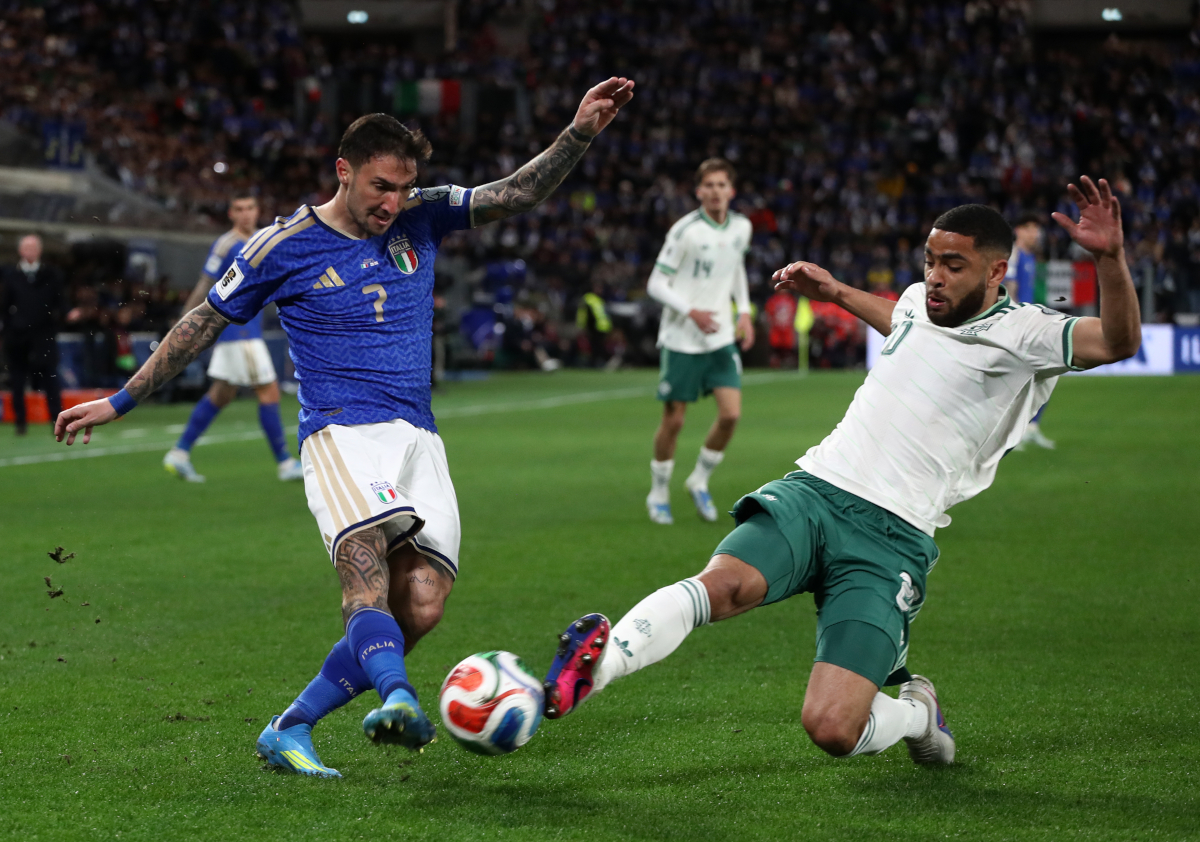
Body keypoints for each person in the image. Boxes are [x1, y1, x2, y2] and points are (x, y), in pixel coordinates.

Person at [54, 77, 635, 778]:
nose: (393, 202)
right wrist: (121, 400)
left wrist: (579, 132)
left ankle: (289, 727)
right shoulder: (281, 247)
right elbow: (203, 322)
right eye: (380, 186)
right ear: (344, 171)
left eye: (404, 187)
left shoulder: (420, 215)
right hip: (340, 432)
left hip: (419, 437)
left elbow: (513, 193)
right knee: (364, 574)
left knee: (420, 604)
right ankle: (397, 697)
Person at [543, 178, 1139, 769]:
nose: (934, 275)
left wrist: (1109, 259)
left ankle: (916, 715)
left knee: (832, 727)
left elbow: (1116, 340)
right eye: (930, 260)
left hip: (893, 536)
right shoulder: (916, 300)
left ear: (994, 272)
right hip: (819, 489)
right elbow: (901, 319)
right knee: (721, 585)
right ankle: (595, 670)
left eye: (953, 266)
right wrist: (833, 291)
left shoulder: (1027, 332)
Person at [162, 194, 303, 482]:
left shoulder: (262, 238)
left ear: (258, 210)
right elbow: (205, 282)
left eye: (250, 207)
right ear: (230, 213)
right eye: (239, 209)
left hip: (243, 330)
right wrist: (185, 321)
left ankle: (179, 453)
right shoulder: (226, 243)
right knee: (269, 391)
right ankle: (285, 464)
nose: (246, 214)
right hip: (239, 331)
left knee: (221, 394)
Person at [644, 159, 755, 525]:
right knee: (674, 421)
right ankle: (658, 491)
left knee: (731, 414)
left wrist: (744, 312)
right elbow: (656, 284)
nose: (715, 191)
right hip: (682, 339)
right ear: (699, 192)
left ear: (731, 191)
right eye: (708, 185)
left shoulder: (742, 227)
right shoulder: (685, 231)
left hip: (720, 336)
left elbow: (735, 265)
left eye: (722, 184)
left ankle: (699, 480)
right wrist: (691, 311)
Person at [1, 234, 66, 435]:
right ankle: (20, 421)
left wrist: (67, 314)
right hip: (18, 336)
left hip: (43, 334)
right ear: (21, 251)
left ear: (39, 251)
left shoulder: (51, 275)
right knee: (18, 379)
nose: (30, 252)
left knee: (50, 378)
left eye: (34, 247)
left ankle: (57, 419)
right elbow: (4, 305)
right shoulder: (10, 275)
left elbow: (61, 302)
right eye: (26, 248)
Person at [1007, 211, 1056, 449]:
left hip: (1030, 321)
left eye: (1037, 228)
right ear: (1019, 230)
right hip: (1018, 325)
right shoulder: (1013, 254)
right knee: (1023, 378)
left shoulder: (1031, 257)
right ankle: (1013, 433)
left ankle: (1030, 428)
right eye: (1030, 227)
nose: (1035, 232)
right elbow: (1009, 289)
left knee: (1045, 372)